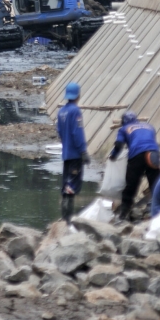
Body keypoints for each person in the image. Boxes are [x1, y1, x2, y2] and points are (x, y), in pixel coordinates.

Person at [110, 111, 160, 221]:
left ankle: (123, 214)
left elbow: (119, 145)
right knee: (156, 184)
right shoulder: (149, 126)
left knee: (131, 185)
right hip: (154, 154)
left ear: (123, 122)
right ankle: (155, 211)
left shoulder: (123, 129)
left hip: (137, 155)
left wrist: (113, 156)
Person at [57, 82, 90, 222]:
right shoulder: (75, 111)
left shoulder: (61, 112)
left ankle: (65, 217)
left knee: (66, 183)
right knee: (73, 185)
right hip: (75, 154)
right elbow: (78, 133)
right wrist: (83, 151)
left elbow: (59, 132)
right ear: (78, 95)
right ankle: (68, 218)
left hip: (66, 154)